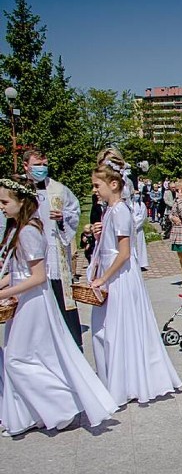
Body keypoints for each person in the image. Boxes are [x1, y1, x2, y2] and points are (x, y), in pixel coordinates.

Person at [0, 178, 117, 437]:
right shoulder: (17, 230)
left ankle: (64, 403)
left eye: (5, 202)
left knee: (16, 359)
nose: (1, 207)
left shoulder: (29, 231)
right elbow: (17, 272)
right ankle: (33, 413)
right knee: (28, 356)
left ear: (22, 202)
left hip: (34, 303)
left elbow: (38, 276)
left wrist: (5, 292)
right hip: (23, 300)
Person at [88, 164, 182, 406]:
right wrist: (99, 235)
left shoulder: (120, 210)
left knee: (117, 327)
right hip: (113, 272)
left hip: (119, 276)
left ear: (113, 184)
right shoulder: (109, 211)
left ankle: (125, 381)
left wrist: (104, 277)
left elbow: (124, 253)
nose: (94, 190)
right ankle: (115, 378)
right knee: (107, 329)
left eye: (97, 185)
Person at [22, 149, 83, 348]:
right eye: (37, 165)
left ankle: (70, 344)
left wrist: (63, 217)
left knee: (60, 299)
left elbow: (74, 210)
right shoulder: (18, 189)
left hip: (54, 254)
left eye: (44, 164)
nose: (42, 168)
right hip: (27, 253)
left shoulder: (58, 188)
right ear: (26, 166)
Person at [131, 192, 149, 270]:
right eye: (135, 194)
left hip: (138, 229)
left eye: (138, 194)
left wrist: (135, 224)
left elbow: (143, 217)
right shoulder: (129, 204)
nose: (136, 195)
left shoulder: (142, 205)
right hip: (130, 229)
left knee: (140, 246)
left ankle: (141, 263)